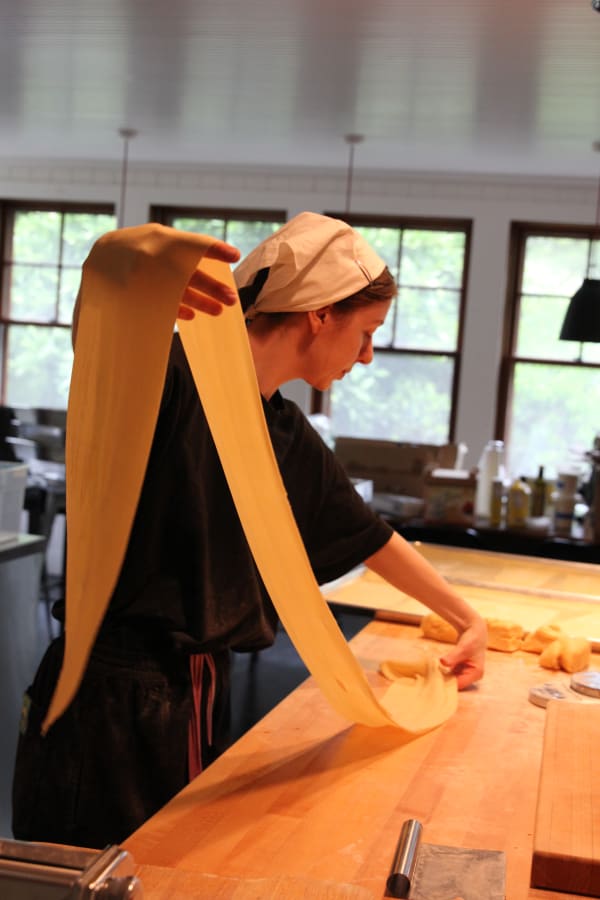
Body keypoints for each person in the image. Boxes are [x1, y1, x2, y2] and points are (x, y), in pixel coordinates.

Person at [12, 212, 486, 850]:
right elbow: (102, 322)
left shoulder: (285, 432)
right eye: (367, 332)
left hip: (197, 690)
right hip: (114, 699)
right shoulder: (170, 376)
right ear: (319, 314)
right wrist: (133, 265)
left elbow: (369, 536)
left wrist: (467, 620)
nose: (368, 356)